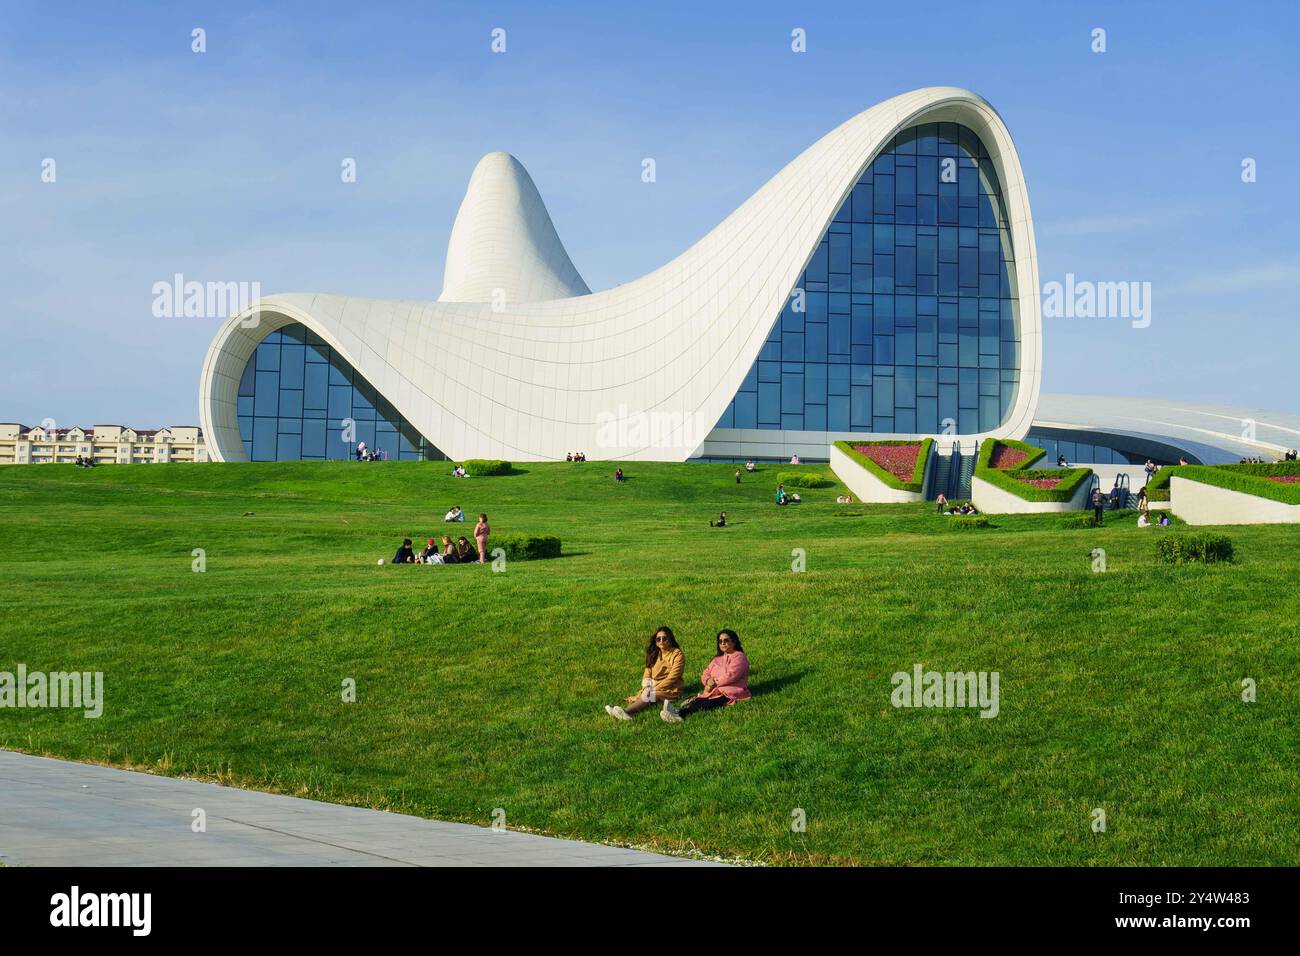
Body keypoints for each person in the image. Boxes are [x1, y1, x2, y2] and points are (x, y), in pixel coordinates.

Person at [663, 629, 751, 723]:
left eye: (726, 640)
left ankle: (680, 715)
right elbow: (705, 673)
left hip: (730, 691)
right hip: (713, 689)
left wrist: (715, 682)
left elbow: (733, 675)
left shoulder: (739, 657)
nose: (723, 643)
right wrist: (707, 681)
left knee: (709, 703)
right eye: (720, 641)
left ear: (734, 642)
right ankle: (676, 711)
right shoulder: (716, 659)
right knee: (700, 700)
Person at [606, 627, 685, 721]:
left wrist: (653, 689)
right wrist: (646, 686)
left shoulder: (677, 654)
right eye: (658, 639)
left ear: (670, 639)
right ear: (655, 641)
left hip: (671, 687)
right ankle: (622, 713)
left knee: (648, 695)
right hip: (653, 686)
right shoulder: (654, 653)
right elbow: (647, 674)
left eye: (665, 638)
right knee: (646, 694)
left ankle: (625, 712)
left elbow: (673, 677)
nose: (661, 641)